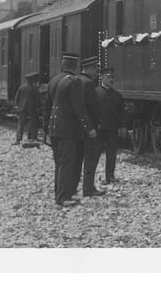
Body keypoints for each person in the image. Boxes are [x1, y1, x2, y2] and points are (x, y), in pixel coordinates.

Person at [47, 53, 94, 207]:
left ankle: (59, 193)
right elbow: (79, 109)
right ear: (75, 66)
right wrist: (89, 128)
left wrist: (45, 129)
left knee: (59, 162)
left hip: (54, 128)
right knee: (67, 162)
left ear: (63, 64)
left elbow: (46, 108)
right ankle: (63, 197)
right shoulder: (73, 82)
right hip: (67, 129)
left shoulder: (53, 81)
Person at [77, 58, 105, 196]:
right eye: (95, 68)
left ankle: (72, 188)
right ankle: (88, 188)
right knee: (91, 158)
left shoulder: (76, 80)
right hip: (90, 127)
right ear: (88, 68)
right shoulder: (88, 83)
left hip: (77, 126)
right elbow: (94, 107)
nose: (96, 72)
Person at [95, 67, 125, 185]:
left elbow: (121, 113)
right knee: (95, 154)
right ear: (102, 77)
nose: (111, 79)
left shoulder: (117, 95)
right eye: (109, 77)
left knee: (111, 154)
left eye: (113, 77)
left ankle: (110, 176)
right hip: (99, 129)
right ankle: (90, 178)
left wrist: (122, 126)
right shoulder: (95, 92)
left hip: (112, 129)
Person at [14, 72, 41, 143]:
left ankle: (18, 139)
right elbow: (38, 99)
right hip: (32, 108)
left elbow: (16, 99)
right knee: (33, 123)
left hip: (22, 108)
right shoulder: (35, 88)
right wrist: (38, 107)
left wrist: (18, 106)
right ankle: (33, 138)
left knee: (21, 124)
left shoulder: (21, 87)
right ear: (32, 80)